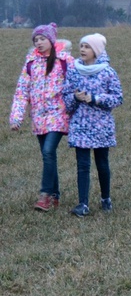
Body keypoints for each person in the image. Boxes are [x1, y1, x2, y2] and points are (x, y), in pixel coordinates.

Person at [10, 23, 75, 212]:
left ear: (51, 40)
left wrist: (72, 108)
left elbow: (74, 85)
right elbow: (22, 92)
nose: (38, 43)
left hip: (58, 114)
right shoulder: (31, 63)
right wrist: (16, 117)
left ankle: (45, 195)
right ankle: (55, 195)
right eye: (36, 40)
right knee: (48, 156)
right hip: (39, 117)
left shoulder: (65, 61)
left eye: (42, 39)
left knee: (48, 151)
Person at [63, 33, 123, 217]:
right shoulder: (73, 70)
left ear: (96, 51)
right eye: (81, 46)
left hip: (101, 126)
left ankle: (106, 198)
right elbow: (66, 100)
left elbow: (117, 98)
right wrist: (75, 97)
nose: (82, 50)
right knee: (82, 165)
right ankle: (83, 204)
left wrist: (95, 98)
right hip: (80, 125)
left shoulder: (107, 72)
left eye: (87, 47)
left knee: (102, 163)